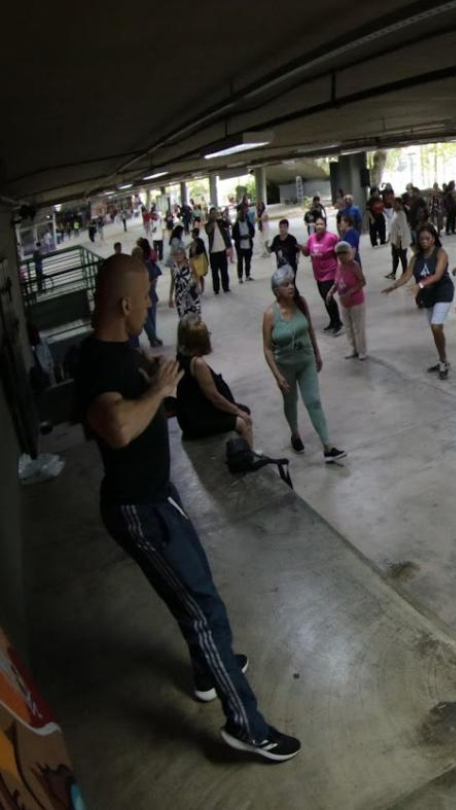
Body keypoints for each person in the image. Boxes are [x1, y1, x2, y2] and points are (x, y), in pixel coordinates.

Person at [75, 255, 300, 762]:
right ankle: (246, 726)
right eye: (148, 298)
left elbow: (139, 401)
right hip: (140, 507)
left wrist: (152, 375)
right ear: (126, 303)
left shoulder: (120, 348)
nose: (153, 305)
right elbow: (116, 427)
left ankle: (206, 671)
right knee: (206, 611)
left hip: (158, 495)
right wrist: (157, 389)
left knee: (194, 593)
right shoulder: (94, 362)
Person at [262, 267, 346, 462]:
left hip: (306, 361)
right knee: (290, 402)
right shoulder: (270, 315)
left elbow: (309, 330)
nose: (291, 287)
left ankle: (327, 446)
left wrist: (317, 353)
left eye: (291, 283)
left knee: (313, 401)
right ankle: (295, 434)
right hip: (285, 365)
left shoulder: (301, 303)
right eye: (285, 285)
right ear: (276, 290)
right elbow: (267, 348)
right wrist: (277, 375)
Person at [383, 224, 453, 378]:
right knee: (436, 331)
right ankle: (443, 360)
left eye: (427, 238)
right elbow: (406, 275)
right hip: (428, 296)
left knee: (436, 327)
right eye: (421, 239)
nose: (424, 241)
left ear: (433, 238)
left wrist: (420, 285)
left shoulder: (440, 253)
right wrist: (393, 287)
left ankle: (443, 362)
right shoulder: (416, 258)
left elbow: (438, 275)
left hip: (443, 292)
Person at [174, 314, 254, 447]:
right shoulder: (197, 363)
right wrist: (237, 411)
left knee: (242, 409)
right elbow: (215, 398)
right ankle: (247, 457)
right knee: (243, 421)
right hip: (197, 420)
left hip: (191, 414)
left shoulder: (181, 357)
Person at [299, 217, 344, 335]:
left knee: (328, 296)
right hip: (318, 274)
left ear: (325, 225)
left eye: (321, 224)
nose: (319, 226)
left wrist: (342, 267)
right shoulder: (312, 238)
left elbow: (341, 250)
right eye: (317, 224)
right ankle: (332, 321)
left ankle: (338, 322)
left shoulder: (332, 237)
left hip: (330, 272)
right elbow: (306, 253)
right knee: (324, 298)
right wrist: (302, 248)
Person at [326, 242, 368, 361]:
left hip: (356, 301)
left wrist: (350, 292)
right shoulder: (339, 266)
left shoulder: (354, 265)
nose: (341, 256)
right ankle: (353, 348)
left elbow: (362, 281)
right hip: (344, 302)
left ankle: (362, 350)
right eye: (339, 254)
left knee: (358, 327)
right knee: (348, 327)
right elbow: (336, 282)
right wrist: (330, 292)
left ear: (349, 253)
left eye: (344, 253)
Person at [134, 239, 164, 348]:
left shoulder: (143, 266)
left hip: (145, 295)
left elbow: (154, 278)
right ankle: (153, 338)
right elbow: (154, 278)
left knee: (148, 319)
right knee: (149, 319)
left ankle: (153, 338)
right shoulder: (145, 265)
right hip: (147, 295)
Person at [205, 209, 233, 294]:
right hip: (213, 252)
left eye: (215, 213)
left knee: (224, 270)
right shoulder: (208, 225)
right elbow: (208, 231)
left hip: (222, 250)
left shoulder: (220, 222)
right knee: (215, 272)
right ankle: (216, 289)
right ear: (210, 215)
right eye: (212, 214)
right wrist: (213, 221)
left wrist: (225, 217)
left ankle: (226, 287)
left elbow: (229, 224)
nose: (214, 215)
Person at [386, 198, 411, 280]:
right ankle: (393, 273)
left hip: (400, 240)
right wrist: (390, 235)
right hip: (394, 239)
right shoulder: (395, 213)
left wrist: (398, 241)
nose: (394, 205)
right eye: (393, 203)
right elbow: (393, 225)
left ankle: (405, 273)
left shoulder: (401, 214)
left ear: (400, 204)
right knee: (395, 257)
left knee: (402, 257)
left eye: (396, 203)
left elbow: (402, 229)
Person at [232, 204, 255, 283]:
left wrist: (249, 236)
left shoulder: (248, 223)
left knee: (248, 261)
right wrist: (242, 237)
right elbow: (234, 236)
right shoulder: (236, 225)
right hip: (240, 246)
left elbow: (252, 232)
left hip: (248, 245)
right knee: (240, 262)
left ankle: (247, 275)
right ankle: (240, 277)